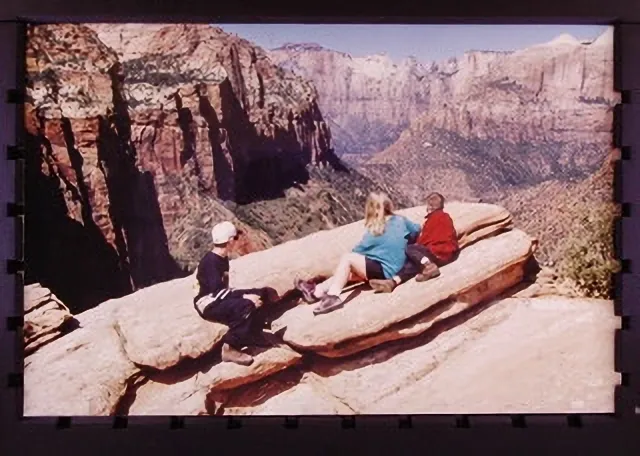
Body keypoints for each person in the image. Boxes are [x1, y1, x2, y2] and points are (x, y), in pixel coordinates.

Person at [294, 192, 422, 315]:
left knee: (348, 260)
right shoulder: (401, 220)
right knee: (348, 273)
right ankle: (316, 292)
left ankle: (333, 296)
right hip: (397, 268)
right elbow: (416, 230)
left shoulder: (375, 229)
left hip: (386, 271)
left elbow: (357, 251)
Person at [193, 221, 277, 366]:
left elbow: (223, 288)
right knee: (247, 305)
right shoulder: (210, 262)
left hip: (219, 296)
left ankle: (254, 334)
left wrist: (245, 294)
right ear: (230, 241)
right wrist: (244, 297)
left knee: (263, 293)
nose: (237, 241)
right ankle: (230, 347)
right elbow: (216, 292)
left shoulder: (222, 258)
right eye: (236, 238)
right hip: (208, 303)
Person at [369, 192, 460, 293]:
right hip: (445, 254)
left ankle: (429, 267)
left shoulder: (436, 218)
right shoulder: (445, 217)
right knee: (413, 263)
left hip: (439, 252)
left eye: (428, 205)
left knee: (409, 248)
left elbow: (425, 241)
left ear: (430, 206)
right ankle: (392, 283)